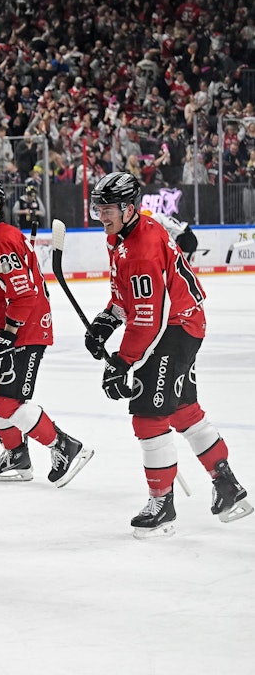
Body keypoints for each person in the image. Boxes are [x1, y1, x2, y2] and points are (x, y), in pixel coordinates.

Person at [86, 172, 251, 537]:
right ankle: (228, 488)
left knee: (147, 414)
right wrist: (106, 321)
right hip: (180, 323)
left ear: (129, 208)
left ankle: (162, 503)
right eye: (98, 208)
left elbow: (148, 319)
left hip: (174, 328)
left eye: (108, 208)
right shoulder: (123, 236)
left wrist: (121, 362)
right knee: (181, 409)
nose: (101, 216)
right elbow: (126, 297)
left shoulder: (142, 247)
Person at [0, 177, 94, 487]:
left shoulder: (1, 238)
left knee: (6, 402)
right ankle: (16, 456)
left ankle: (65, 447)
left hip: (22, 330)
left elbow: (24, 294)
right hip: (5, 330)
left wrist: (10, 331)